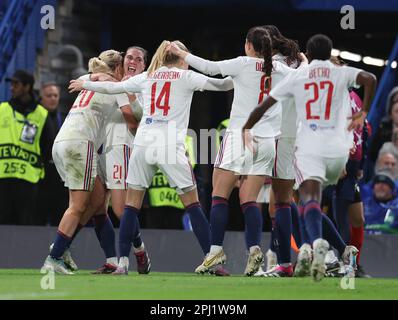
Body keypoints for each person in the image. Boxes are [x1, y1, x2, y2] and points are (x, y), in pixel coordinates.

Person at [68, 40, 234, 275]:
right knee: (193, 205)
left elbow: (113, 88)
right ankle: (212, 261)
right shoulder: (185, 77)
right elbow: (223, 84)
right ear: (181, 58)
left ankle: (122, 264)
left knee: (131, 206)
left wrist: (85, 82)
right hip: (168, 145)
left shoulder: (148, 77)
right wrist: (245, 77)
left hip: (143, 143)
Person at [242, 34, 377, 281]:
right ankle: (329, 250)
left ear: (310, 54)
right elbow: (370, 78)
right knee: (308, 202)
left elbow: (264, 106)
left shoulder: (298, 76)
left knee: (308, 198)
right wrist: (364, 111)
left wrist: (246, 127)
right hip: (338, 150)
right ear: (330, 52)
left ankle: (317, 247)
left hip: (308, 146)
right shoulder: (339, 72)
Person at [168, 26, 294, 276]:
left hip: (240, 136)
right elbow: (306, 76)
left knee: (220, 195)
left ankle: (215, 250)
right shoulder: (283, 70)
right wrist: (302, 59)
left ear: (249, 45)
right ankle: (255, 248)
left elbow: (210, 67)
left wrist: (182, 55)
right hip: (267, 142)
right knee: (249, 199)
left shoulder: (243, 63)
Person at [41, 50, 131, 274]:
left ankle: (79, 252)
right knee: (78, 205)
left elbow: (85, 79)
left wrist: (97, 77)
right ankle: (54, 256)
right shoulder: (114, 86)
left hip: (62, 143)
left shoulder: (90, 81)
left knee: (96, 203)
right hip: (82, 144)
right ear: (118, 68)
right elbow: (131, 119)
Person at [0, 70, 55, 225]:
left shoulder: (42, 114)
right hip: (3, 179)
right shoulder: (2, 109)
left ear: (27, 87)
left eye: (16, 84)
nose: (12, 88)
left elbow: (48, 146)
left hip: (29, 181)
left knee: (25, 226)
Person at [37, 82, 69, 226]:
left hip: (59, 176)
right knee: (40, 216)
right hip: (41, 176)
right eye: (49, 95)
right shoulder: (35, 117)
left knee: (60, 219)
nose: (52, 98)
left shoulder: (64, 119)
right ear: (41, 98)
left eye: (55, 95)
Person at [363, 170, 398, 234]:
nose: (380, 186)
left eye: (385, 183)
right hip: (366, 241)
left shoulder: (396, 206)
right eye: (377, 183)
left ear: (392, 188)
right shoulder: (364, 204)